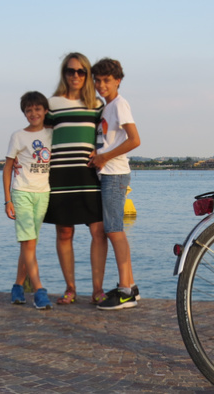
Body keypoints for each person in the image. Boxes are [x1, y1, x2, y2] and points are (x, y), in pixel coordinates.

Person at [43, 52, 108, 305]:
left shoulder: (97, 105)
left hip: (88, 174)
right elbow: (42, 141)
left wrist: (102, 154)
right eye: (71, 71)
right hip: (59, 175)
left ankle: (97, 290)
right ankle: (70, 288)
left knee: (98, 231)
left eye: (82, 72)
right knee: (64, 233)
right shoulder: (52, 104)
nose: (76, 76)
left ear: (88, 75)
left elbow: (107, 138)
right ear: (64, 74)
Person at [89, 58, 141, 310]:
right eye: (97, 80)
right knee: (114, 229)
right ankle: (130, 285)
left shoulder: (120, 105)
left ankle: (125, 292)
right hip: (108, 174)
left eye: (106, 80)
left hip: (114, 174)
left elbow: (134, 140)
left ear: (118, 80)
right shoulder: (106, 107)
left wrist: (103, 157)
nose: (101, 85)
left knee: (114, 230)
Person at [3, 91, 53, 310]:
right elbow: (7, 169)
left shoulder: (52, 133)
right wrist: (8, 200)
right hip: (21, 192)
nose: (33, 113)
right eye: (29, 110)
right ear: (24, 113)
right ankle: (39, 290)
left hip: (42, 193)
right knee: (29, 243)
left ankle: (17, 286)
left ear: (45, 111)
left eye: (37, 109)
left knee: (28, 244)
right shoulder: (18, 136)